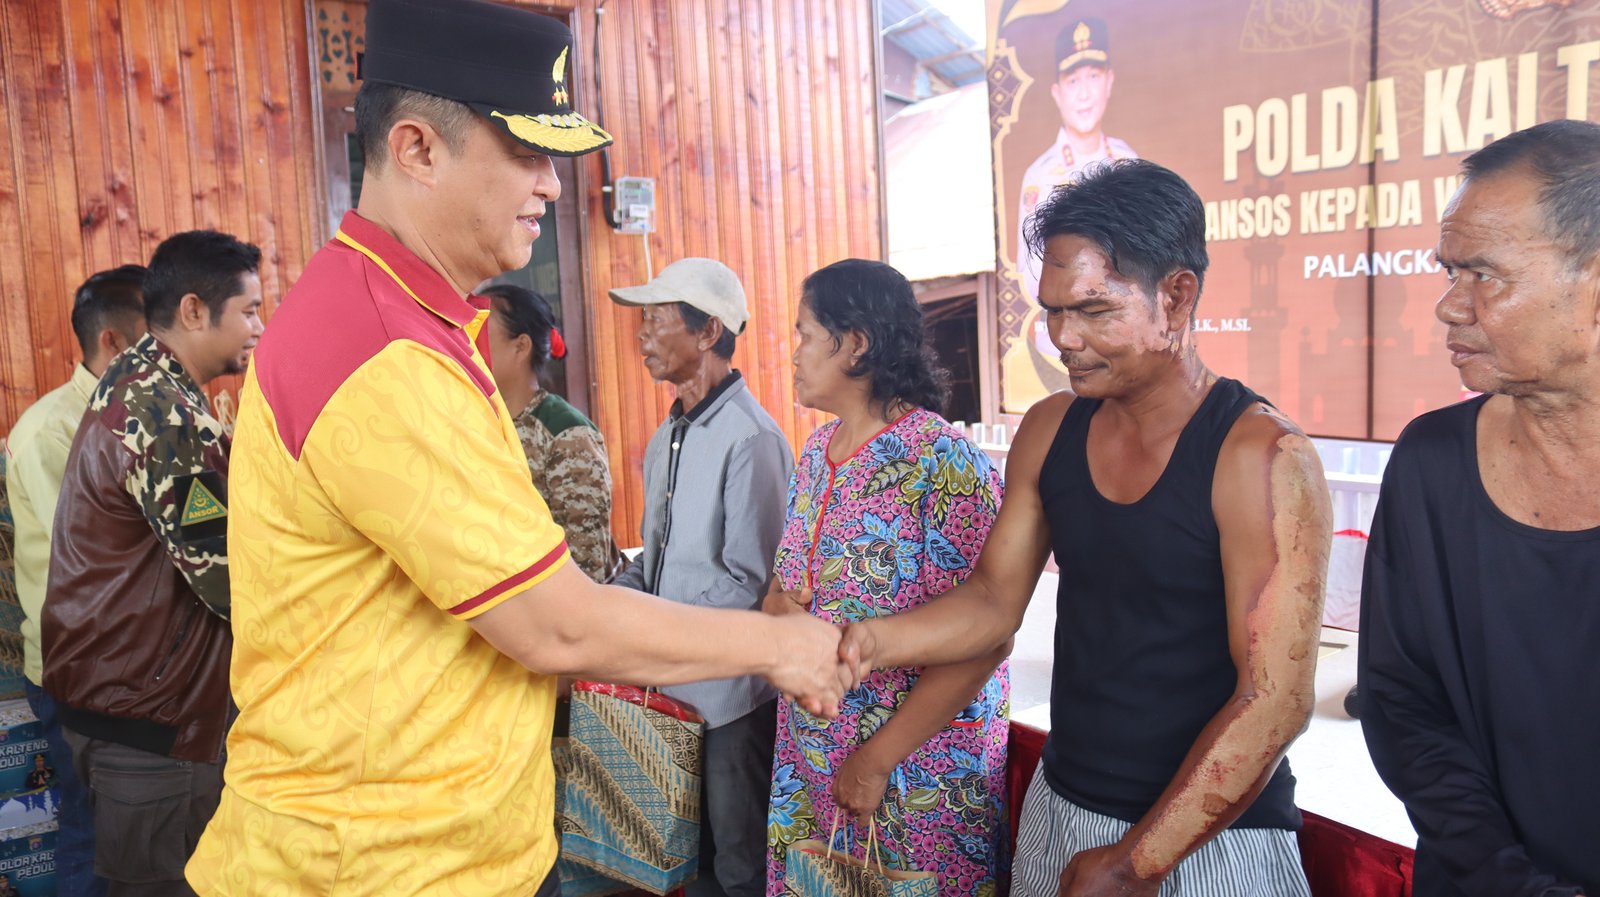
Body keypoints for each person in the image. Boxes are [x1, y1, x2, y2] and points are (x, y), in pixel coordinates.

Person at [188, 3, 847, 895]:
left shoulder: (401, 319)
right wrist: (781, 646)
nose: (552, 186)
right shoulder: (382, 354)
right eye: (529, 154)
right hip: (376, 866)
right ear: (418, 148)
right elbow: (556, 621)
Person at [840, 160, 1332, 897]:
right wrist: (868, 641)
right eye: (1052, 310)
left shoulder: (1260, 456)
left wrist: (1138, 862)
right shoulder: (1048, 430)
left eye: (1095, 310)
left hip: (1216, 833)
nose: (1063, 337)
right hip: (1062, 805)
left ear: (1176, 295)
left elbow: (1276, 699)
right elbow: (991, 601)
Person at [1359, 120, 1600, 897]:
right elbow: (1404, 702)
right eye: (1447, 271)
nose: (1448, 307)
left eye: (1483, 275)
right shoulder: (1431, 462)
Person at [762, 259, 1009, 896]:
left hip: (911, 778)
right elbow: (782, 593)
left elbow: (986, 639)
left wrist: (874, 761)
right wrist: (783, 618)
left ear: (856, 344)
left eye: (805, 334)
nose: (794, 354)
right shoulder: (815, 455)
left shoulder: (944, 461)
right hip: (813, 763)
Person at [41, 230, 264, 897]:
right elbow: (229, 579)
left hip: (124, 708)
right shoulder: (162, 411)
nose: (259, 326)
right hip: (150, 728)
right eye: (249, 309)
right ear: (195, 310)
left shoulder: (149, 382)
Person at [607, 257, 792, 897]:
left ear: (708, 332)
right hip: (670, 683)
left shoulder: (752, 439)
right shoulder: (668, 438)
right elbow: (652, 560)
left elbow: (751, 581)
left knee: (735, 862)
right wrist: (608, 605)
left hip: (728, 700)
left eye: (656, 319)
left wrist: (651, 629)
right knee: (668, 856)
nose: (642, 335)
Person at [4, 264, 146, 897]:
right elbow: (103, 555)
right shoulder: (49, 430)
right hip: (83, 673)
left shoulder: (151, 415)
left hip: (140, 672)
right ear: (113, 340)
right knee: (91, 839)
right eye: (157, 328)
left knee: (146, 842)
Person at [1005, 17, 1138, 410]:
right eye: (1074, 81)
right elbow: (1034, 275)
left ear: (1109, 81)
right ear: (1057, 92)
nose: (1084, 94)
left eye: (1093, 77)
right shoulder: (1040, 176)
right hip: (1057, 358)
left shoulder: (1130, 163)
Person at [483, 283, 623, 582]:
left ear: (520, 346)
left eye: (479, 331)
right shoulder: (477, 420)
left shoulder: (567, 434)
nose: (466, 343)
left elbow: (587, 570)